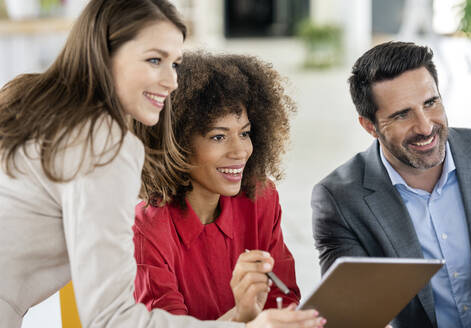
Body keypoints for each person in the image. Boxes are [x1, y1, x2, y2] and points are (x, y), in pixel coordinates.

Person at [0, 0, 322, 327]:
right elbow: (111, 319)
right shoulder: (101, 143)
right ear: (105, 53)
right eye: (155, 60)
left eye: (175, 63)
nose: (171, 82)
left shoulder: (42, 110)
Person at [311, 41, 471, 328]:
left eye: (430, 103)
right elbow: (349, 317)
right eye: (401, 114)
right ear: (369, 126)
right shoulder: (341, 199)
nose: (425, 127)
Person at [132, 51, 312, 324]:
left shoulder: (260, 199)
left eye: (245, 133)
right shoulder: (146, 232)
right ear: (175, 144)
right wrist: (242, 315)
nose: (240, 151)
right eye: (218, 136)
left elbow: (284, 301)